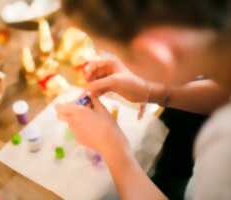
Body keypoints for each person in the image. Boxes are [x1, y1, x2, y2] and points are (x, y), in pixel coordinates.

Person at [56, 0, 231, 199]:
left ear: (156, 55)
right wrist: (152, 90)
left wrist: (114, 150)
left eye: (119, 54)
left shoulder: (223, 148)